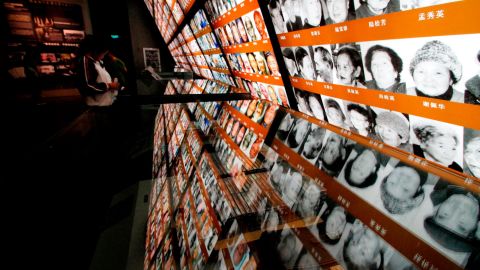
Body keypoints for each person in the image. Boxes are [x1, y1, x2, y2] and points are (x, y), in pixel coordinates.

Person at [424, 185, 479, 252]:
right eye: (462, 225)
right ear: (476, 227)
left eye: (444, 215)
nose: (457, 210)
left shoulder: (442, 186)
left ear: (437, 208)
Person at [77, 36, 121, 106]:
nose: (103, 57)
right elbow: (87, 86)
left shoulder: (97, 63)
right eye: (103, 53)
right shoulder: (85, 61)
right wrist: (109, 86)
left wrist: (112, 85)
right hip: (96, 107)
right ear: (96, 51)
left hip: (105, 104)